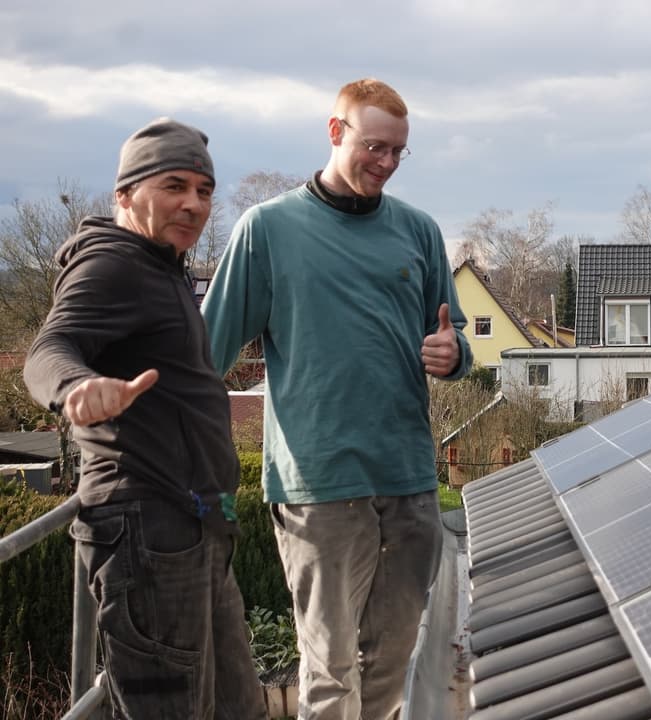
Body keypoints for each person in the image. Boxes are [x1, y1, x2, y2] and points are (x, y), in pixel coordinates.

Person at [200, 78, 473, 720]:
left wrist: (454, 354)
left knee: (390, 664)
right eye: (373, 146)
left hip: (406, 481)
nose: (384, 163)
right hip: (318, 487)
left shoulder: (418, 230)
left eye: (398, 152)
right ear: (335, 132)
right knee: (329, 670)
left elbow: (452, 334)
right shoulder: (267, 230)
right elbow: (203, 355)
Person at [23, 118, 266, 719]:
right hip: (146, 533)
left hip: (194, 526)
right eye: (174, 186)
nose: (193, 203)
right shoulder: (112, 265)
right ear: (125, 195)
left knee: (238, 707)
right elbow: (47, 350)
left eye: (204, 191)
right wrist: (76, 387)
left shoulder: (162, 264)